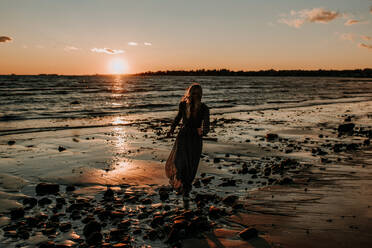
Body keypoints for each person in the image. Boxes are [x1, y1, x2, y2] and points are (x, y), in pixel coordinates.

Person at [165, 83, 210, 199]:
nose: (195, 95)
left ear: (200, 95)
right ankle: (182, 184)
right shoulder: (183, 105)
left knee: (191, 163)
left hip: (195, 138)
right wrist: (171, 130)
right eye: (193, 93)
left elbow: (207, 126)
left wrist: (203, 131)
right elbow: (177, 118)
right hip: (184, 136)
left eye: (197, 93)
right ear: (189, 93)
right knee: (180, 160)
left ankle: (186, 186)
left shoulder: (204, 108)